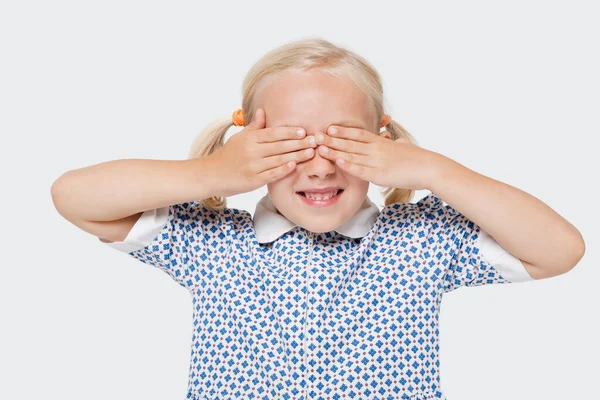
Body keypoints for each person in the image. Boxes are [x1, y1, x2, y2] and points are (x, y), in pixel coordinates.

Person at [51, 37, 585, 400]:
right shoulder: (211, 242)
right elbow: (74, 196)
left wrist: (431, 169)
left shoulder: (423, 237)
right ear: (250, 144)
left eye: (343, 140)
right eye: (291, 143)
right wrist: (212, 174)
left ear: (382, 138)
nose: (320, 165)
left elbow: (560, 250)